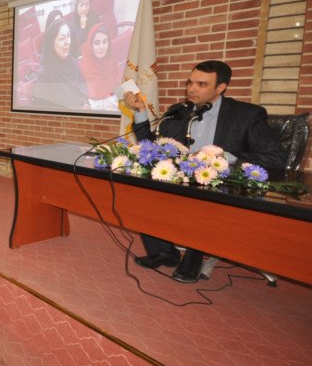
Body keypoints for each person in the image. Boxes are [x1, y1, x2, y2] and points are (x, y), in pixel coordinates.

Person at [124, 60, 286, 283]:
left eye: (201, 84)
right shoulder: (179, 112)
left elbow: (275, 158)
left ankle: (194, 258)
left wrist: (225, 157)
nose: (191, 89)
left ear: (221, 88)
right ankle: (164, 252)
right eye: (190, 83)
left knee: (205, 200)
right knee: (144, 190)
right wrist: (141, 111)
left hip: (221, 185)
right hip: (180, 179)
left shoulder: (248, 114)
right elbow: (150, 147)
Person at [33, 18, 88, 109]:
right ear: (52, 44)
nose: (67, 42)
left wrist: (85, 103)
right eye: (62, 38)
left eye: (68, 36)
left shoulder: (73, 63)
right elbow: (42, 108)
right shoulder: (45, 75)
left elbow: (83, 90)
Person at [79, 23, 125, 111]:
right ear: (90, 44)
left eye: (105, 42)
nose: (101, 47)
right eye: (97, 43)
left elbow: (124, 84)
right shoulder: (83, 67)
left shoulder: (111, 62)